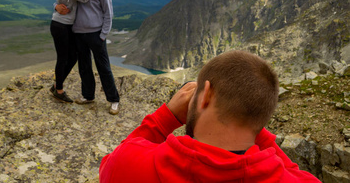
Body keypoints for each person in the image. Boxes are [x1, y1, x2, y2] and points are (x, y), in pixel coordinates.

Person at [99, 50, 321, 182]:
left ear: (205, 95)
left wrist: (163, 118)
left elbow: (108, 168)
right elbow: (293, 170)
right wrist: (251, 115)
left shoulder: (129, 164)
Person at [56, 0, 120, 115]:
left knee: (103, 67)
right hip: (78, 33)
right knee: (84, 67)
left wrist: (103, 34)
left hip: (96, 33)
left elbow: (108, 12)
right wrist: (55, 6)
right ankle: (88, 95)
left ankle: (113, 100)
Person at [47, 0, 105, 103]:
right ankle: (58, 90)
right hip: (60, 26)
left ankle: (56, 84)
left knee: (73, 57)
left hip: (68, 26)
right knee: (63, 58)